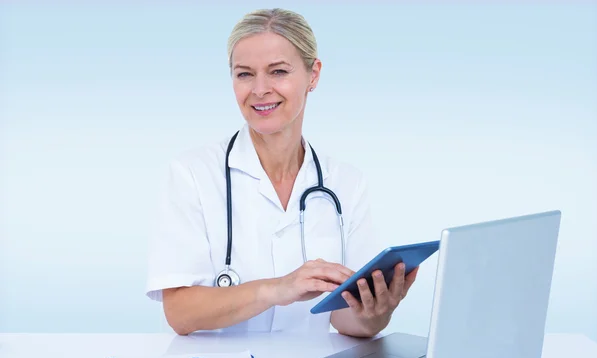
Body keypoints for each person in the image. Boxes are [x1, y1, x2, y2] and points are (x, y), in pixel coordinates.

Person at [145, 8, 419, 337]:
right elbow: (179, 312)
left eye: (277, 72)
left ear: (313, 75)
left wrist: (376, 314)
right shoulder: (192, 173)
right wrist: (278, 289)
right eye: (244, 74)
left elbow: (348, 320)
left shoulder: (346, 183)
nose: (260, 89)